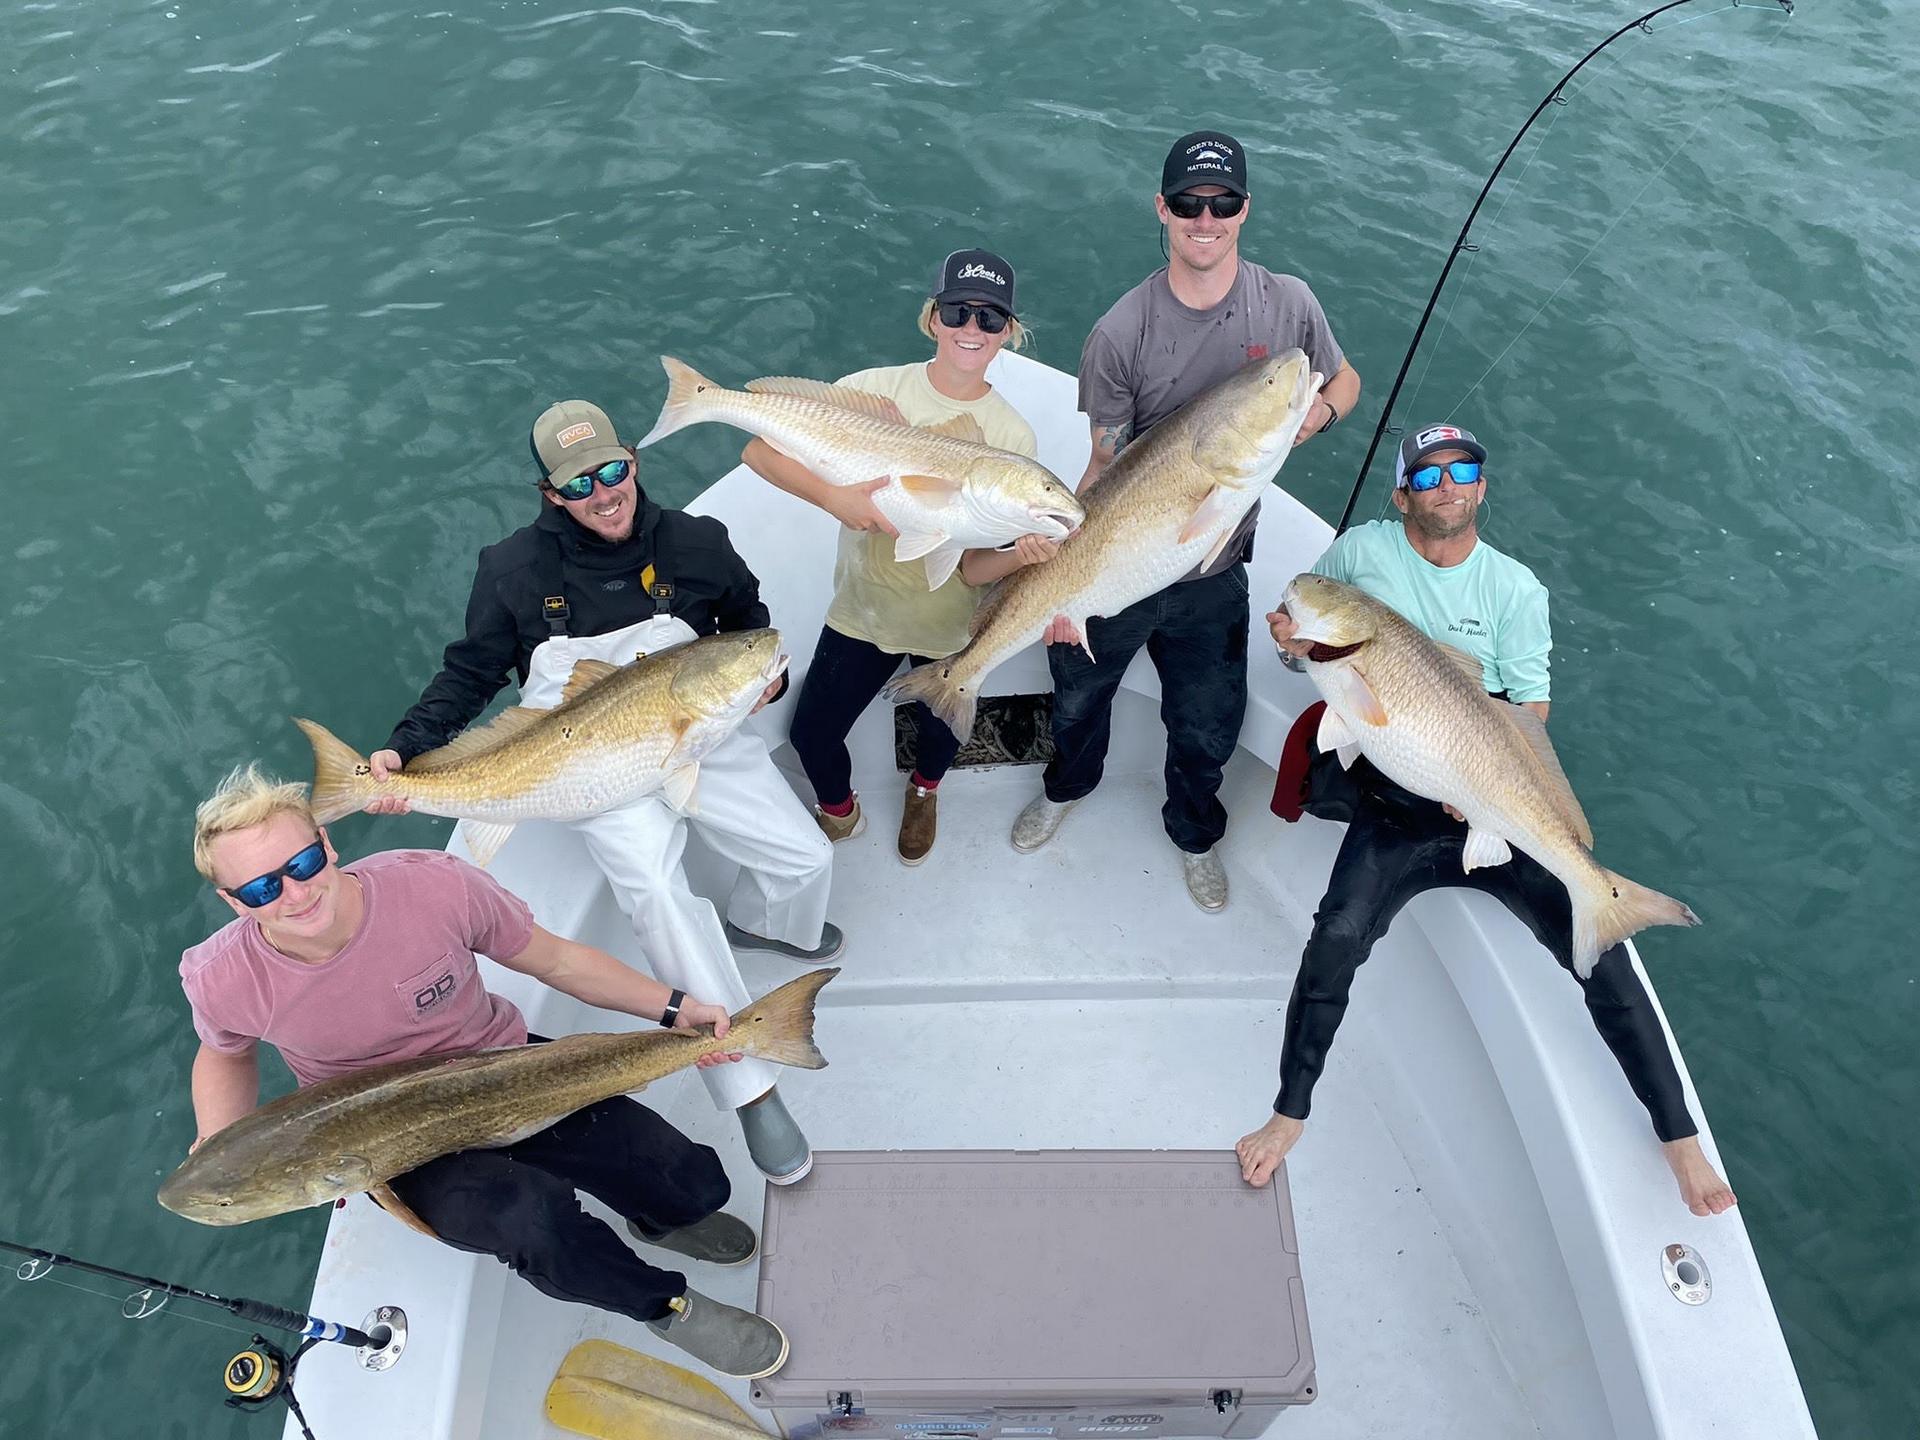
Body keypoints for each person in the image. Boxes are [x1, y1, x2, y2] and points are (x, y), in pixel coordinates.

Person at [1235, 424, 1737, 1218]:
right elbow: (1306, 638)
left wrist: (1480, 788)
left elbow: (1529, 711)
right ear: (1402, 494)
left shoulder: (1515, 589)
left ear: (1481, 488)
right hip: (1393, 807)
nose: (1447, 485)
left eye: (1462, 471)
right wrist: (1295, 643)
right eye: (1427, 475)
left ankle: (1679, 1140)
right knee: (1334, 939)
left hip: (1489, 798)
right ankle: (1288, 1113)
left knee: (1604, 954)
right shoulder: (1359, 557)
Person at [179, 767, 791, 1379]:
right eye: (261, 889)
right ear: (233, 902)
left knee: (691, 1181)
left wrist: (675, 1008)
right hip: (390, 1147)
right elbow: (225, 1050)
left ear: (327, 844)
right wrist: (217, 1135)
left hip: (504, 1067)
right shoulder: (220, 977)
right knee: (534, 1223)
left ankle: (660, 1220)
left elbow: (557, 959)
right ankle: (666, 1306)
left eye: (304, 862)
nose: (294, 893)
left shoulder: (432, 887)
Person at [363, 399, 838, 1186]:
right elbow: (471, 674)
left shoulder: (697, 541)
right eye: (580, 482)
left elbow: (747, 620)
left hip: (699, 737)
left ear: (634, 463)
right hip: (589, 768)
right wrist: (404, 751)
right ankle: (749, 1085)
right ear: (551, 494)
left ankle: (764, 924)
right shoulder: (512, 570)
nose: (603, 491)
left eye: (613, 469)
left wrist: (772, 673)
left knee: (806, 858)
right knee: (656, 894)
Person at [1011, 129, 1362, 913]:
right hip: (1119, 563)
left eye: (1224, 203)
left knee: (1208, 723)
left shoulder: (1288, 303)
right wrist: (1059, 587)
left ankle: (1194, 833)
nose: (1207, 219)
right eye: (1190, 204)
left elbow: (1340, 379)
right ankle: (1065, 790)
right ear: (1162, 211)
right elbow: (1102, 472)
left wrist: (1312, 418)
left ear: (1245, 210)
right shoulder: (1119, 333)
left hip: (1213, 571)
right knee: (1075, 701)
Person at [742, 248, 1062, 865]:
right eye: (958, 311)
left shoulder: (1013, 438)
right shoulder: (872, 390)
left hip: (948, 623)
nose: (973, 328)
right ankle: (839, 809)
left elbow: (971, 568)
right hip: (862, 607)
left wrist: (1021, 557)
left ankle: (925, 789)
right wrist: (834, 498)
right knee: (811, 733)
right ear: (933, 317)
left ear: (1009, 334)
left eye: (991, 319)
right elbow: (760, 452)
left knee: (944, 730)